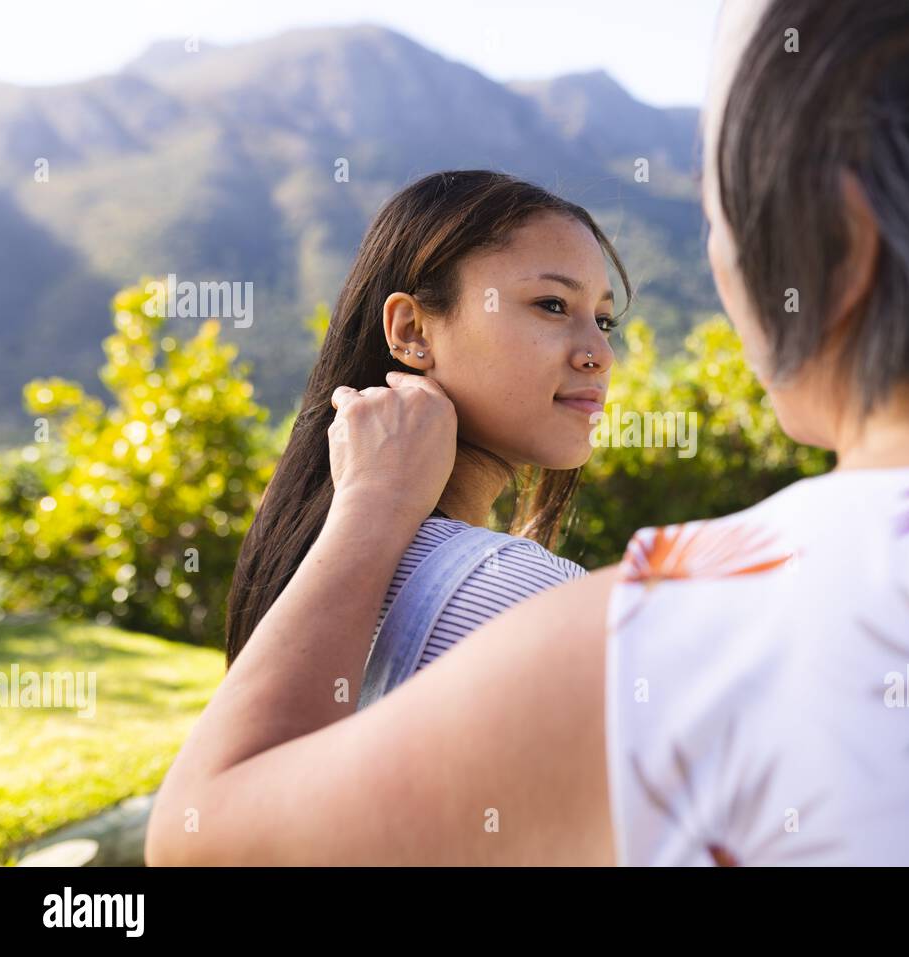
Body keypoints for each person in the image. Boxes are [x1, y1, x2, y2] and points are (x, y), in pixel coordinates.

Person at [147, 0, 909, 866]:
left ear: (840, 242)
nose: (597, 345)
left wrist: (370, 511)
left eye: (717, 216)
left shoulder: (663, 645)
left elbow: (200, 833)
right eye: (553, 307)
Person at [222, 171, 627, 704]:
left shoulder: (306, 551)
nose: (598, 353)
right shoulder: (520, 595)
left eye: (604, 320)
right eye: (552, 305)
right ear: (412, 331)